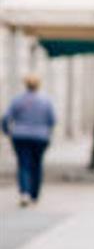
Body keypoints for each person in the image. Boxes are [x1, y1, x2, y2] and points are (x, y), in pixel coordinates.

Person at [1, 74, 57, 207]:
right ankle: (34, 195)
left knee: (23, 164)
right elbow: (53, 120)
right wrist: (47, 133)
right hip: (40, 137)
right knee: (37, 165)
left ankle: (24, 193)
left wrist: (7, 131)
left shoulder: (17, 100)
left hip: (20, 136)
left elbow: (5, 118)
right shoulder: (46, 101)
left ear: (25, 84)